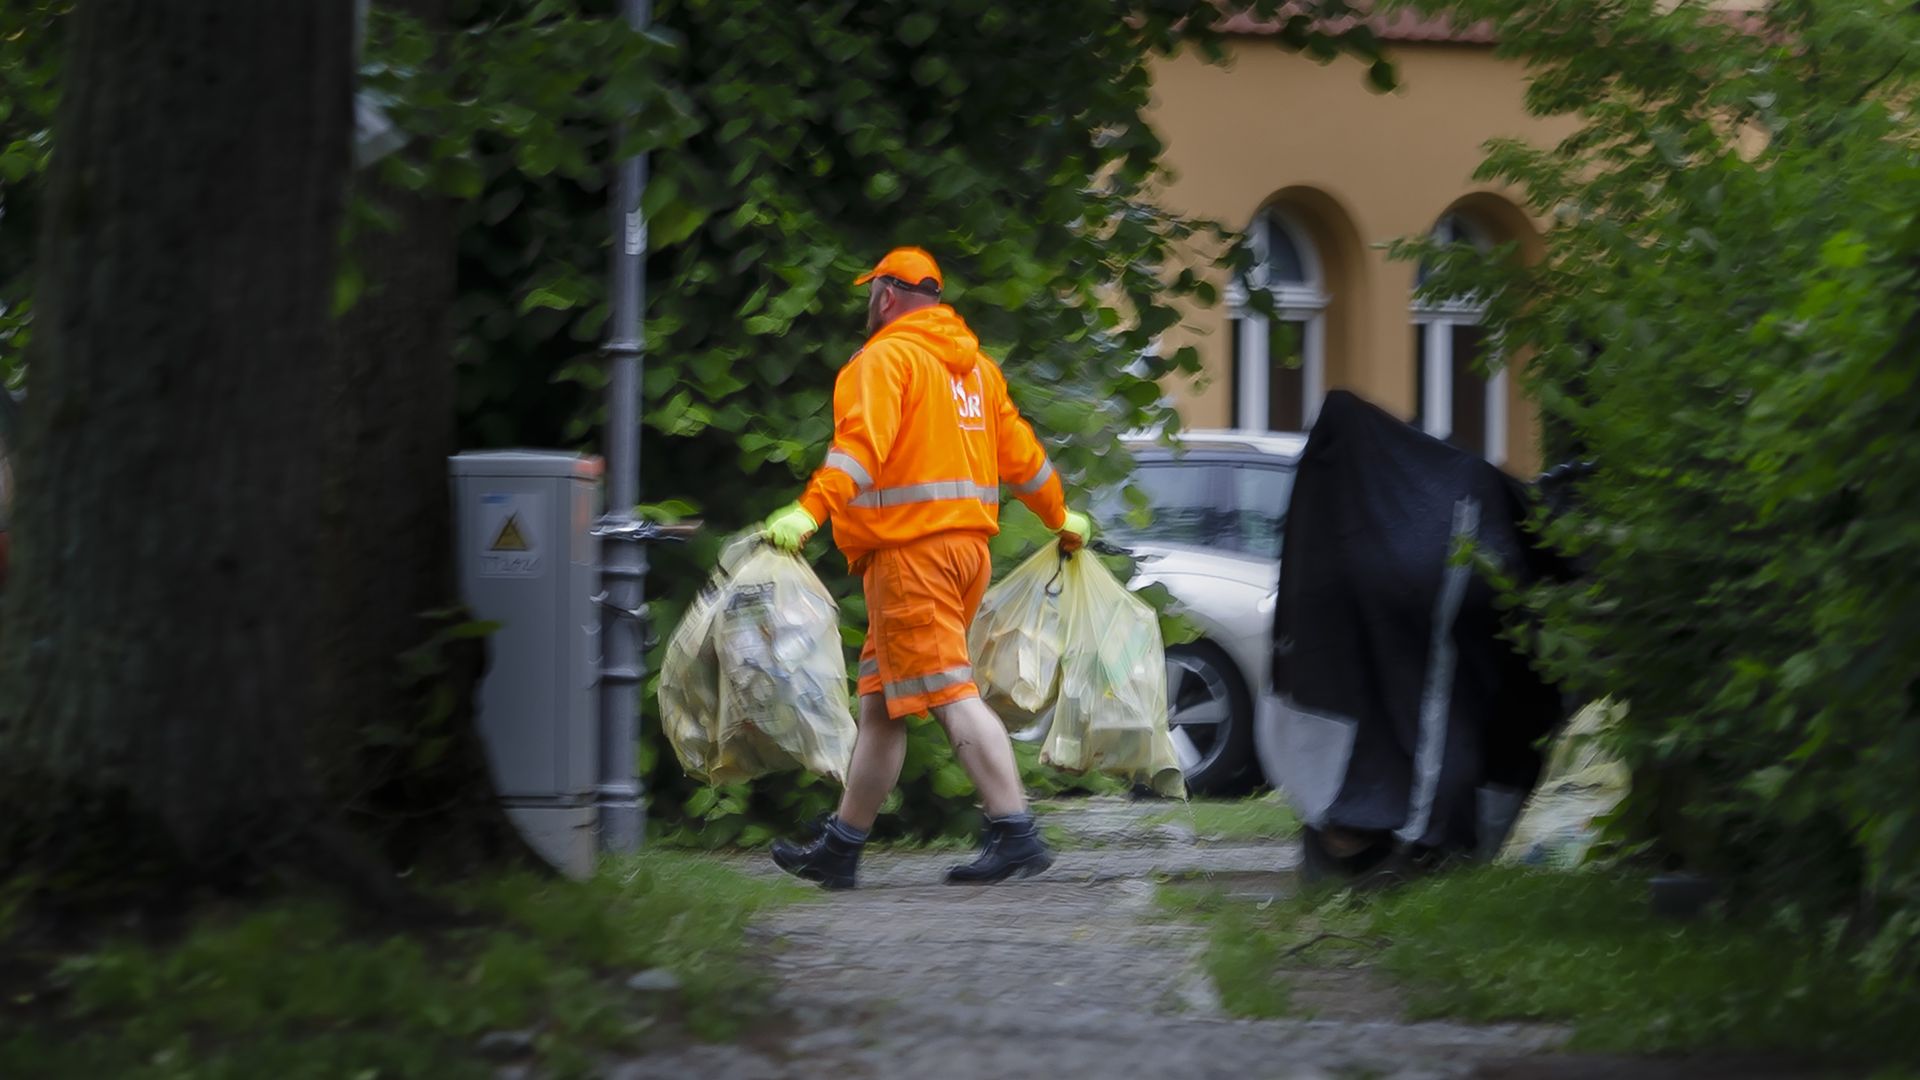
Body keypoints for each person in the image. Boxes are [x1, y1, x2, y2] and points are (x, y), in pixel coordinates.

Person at [760, 247, 1092, 890]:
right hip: (965, 553)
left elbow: (859, 450)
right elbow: (1022, 457)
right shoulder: (976, 371)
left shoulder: (884, 360)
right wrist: (1061, 516)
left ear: (885, 295)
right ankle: (842, 846)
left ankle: (1015, 830)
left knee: (947, 692)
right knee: (885, 704)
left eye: (870, 292)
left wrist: (809, 512)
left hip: (912, 557)